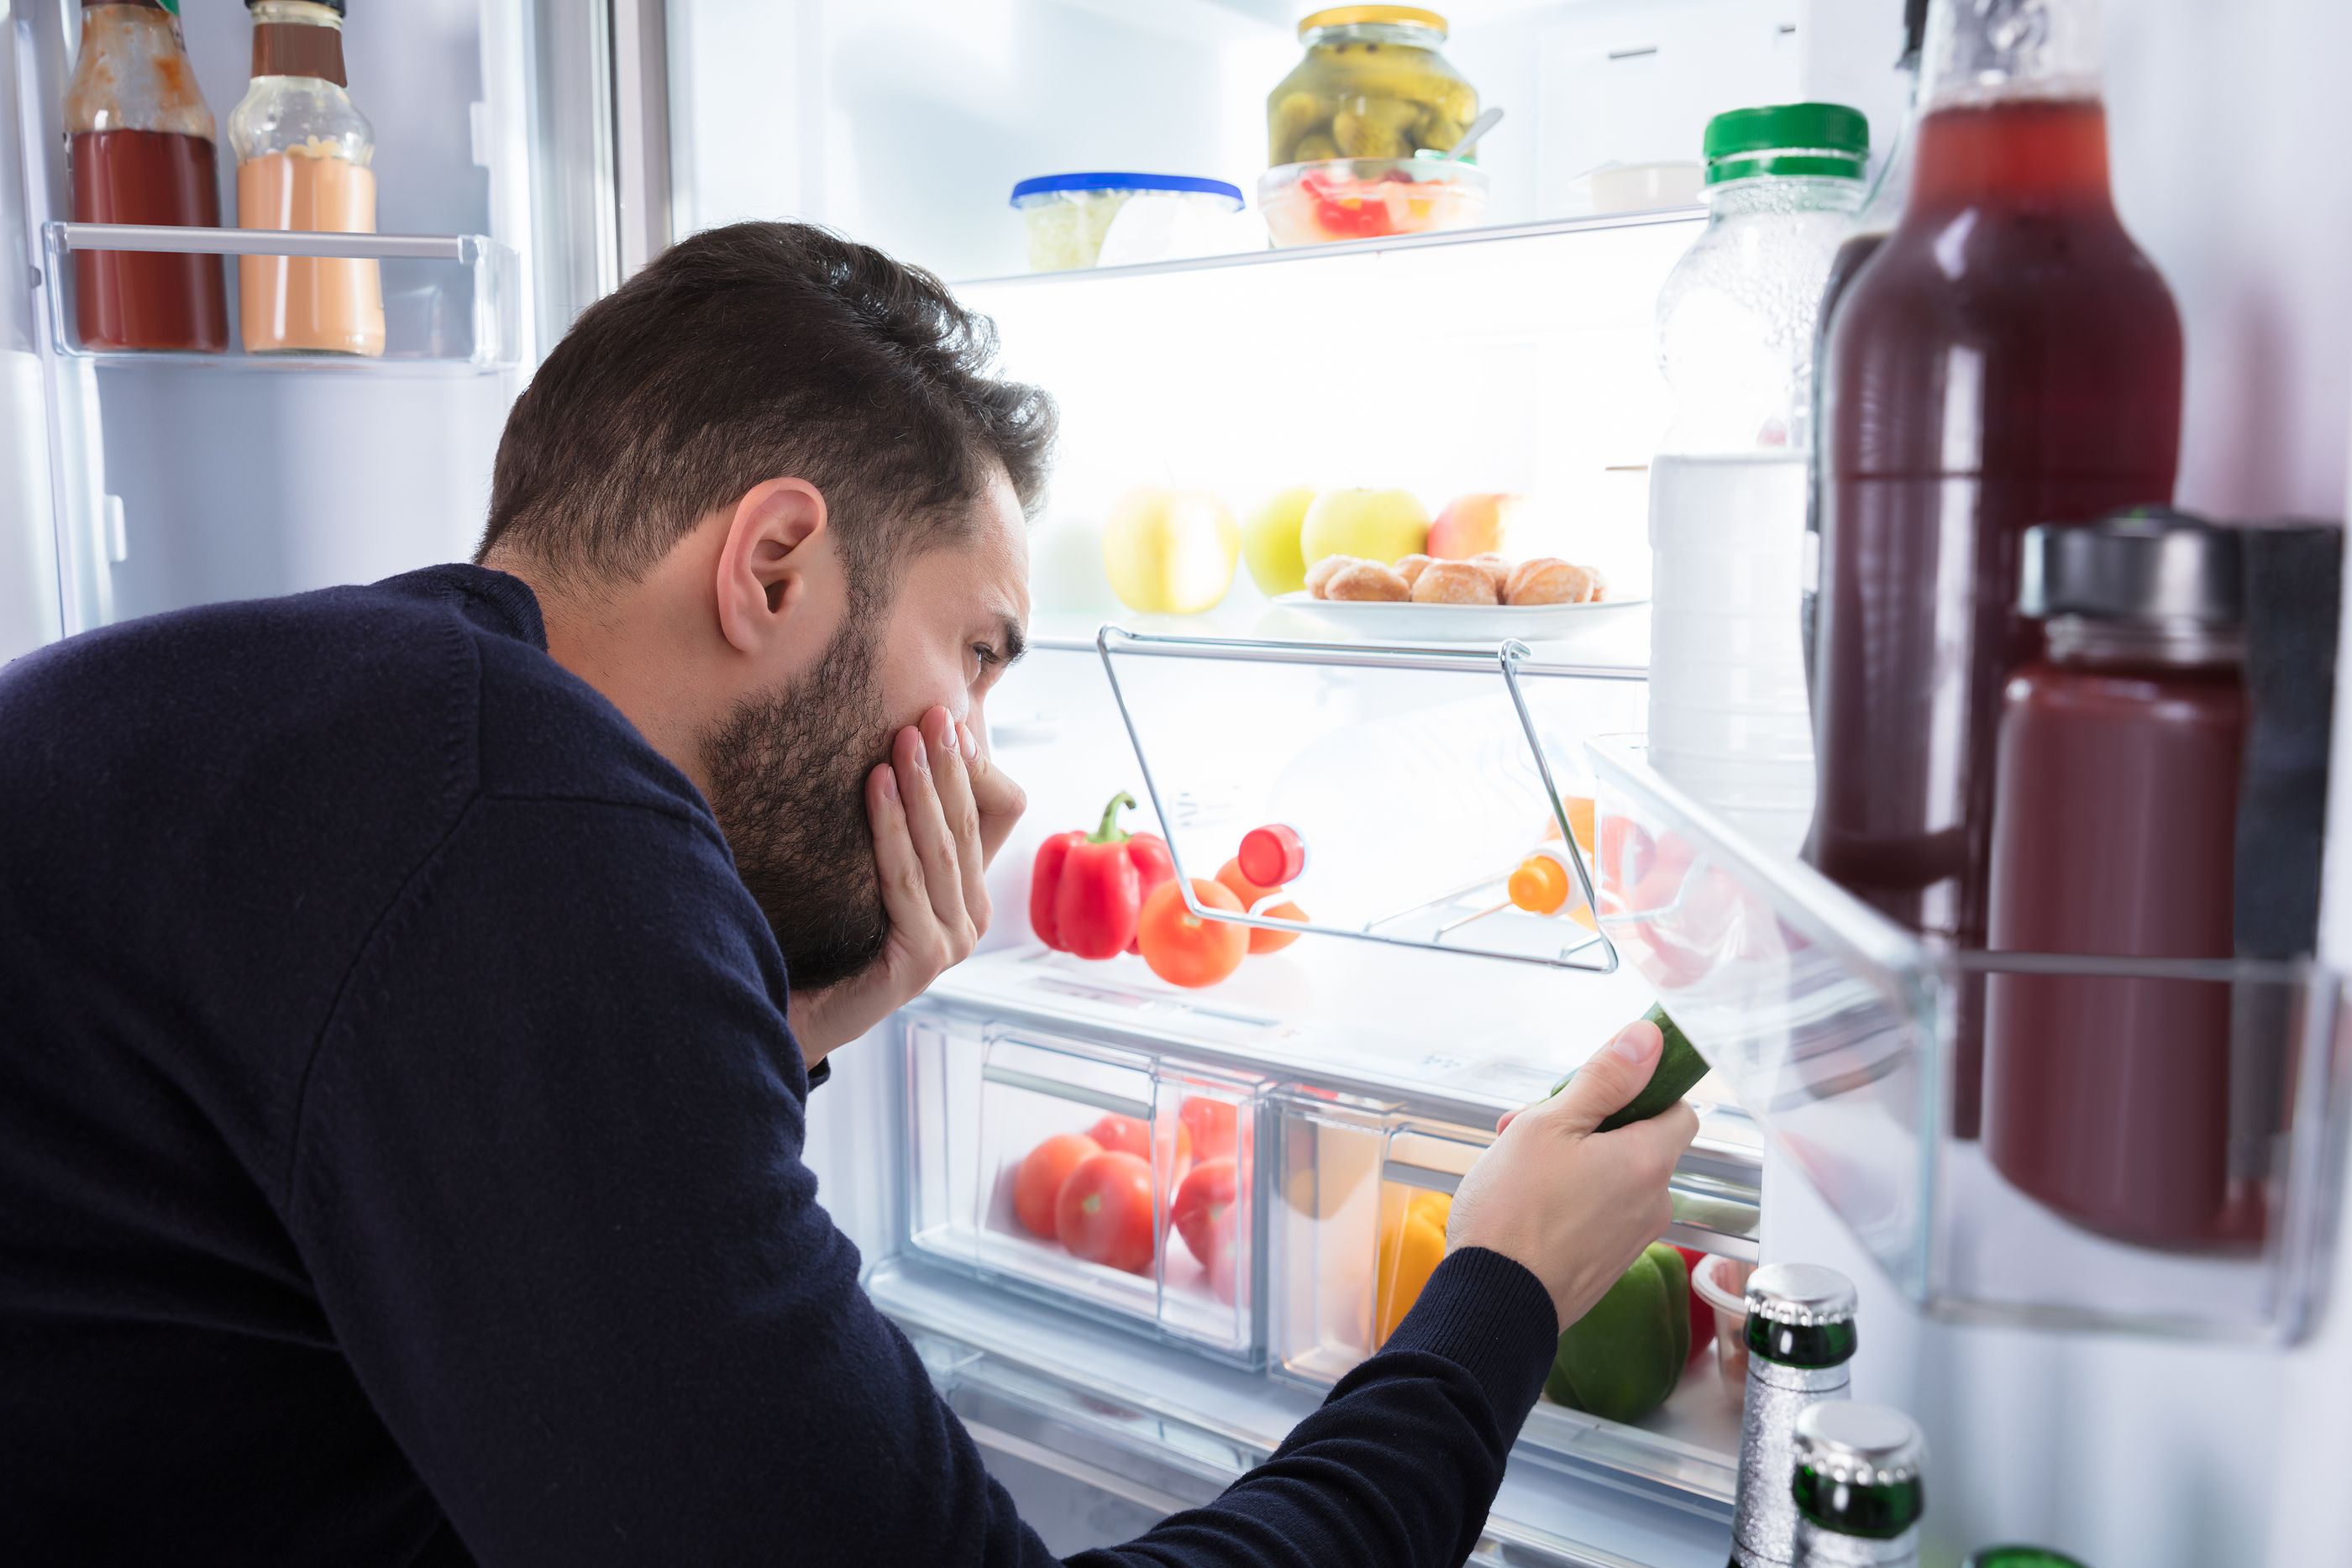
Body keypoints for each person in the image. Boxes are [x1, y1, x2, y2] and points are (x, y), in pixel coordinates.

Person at [0, 221, 1699, 1565]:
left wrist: (804, 1012)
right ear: (773, 564)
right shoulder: (525, 813)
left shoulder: (361, 724)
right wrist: (1496, 1296)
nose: (991, 769)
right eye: (975, 654)